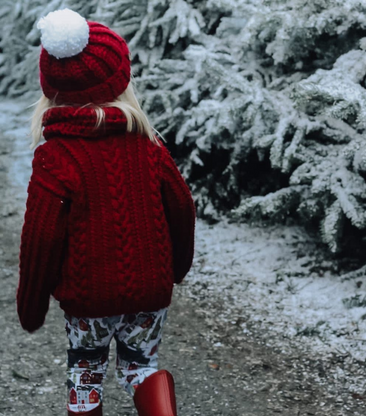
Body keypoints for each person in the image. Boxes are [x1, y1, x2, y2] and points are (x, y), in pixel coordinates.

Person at [16, 8, 196, 416]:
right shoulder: (148, 146)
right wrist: (175, 269)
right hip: (151, 291)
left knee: (86, 370)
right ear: (122, 82)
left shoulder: (55, 155)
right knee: (140, 367)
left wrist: (32, 303)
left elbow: (41, 235)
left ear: (52, 89)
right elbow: (182, 208)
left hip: (88, 298)